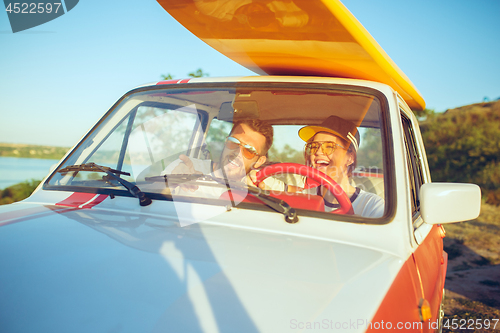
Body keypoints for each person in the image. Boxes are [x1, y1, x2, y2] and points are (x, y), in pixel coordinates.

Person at [297, 115, 384, 218]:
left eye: (329, 146)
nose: (318, 152)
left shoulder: (373, 206)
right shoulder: (302, 198)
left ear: (350, 158)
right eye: (314, 146)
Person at [163, 119, 276, 195]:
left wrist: (266, 198)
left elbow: (292, 193)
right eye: (234, 142)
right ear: (225, 141)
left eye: (249, 150)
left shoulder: (260, 183)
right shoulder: (186, 168)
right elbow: (148, 201)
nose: (237, 152)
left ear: (259, 161)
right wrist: (171, 182)